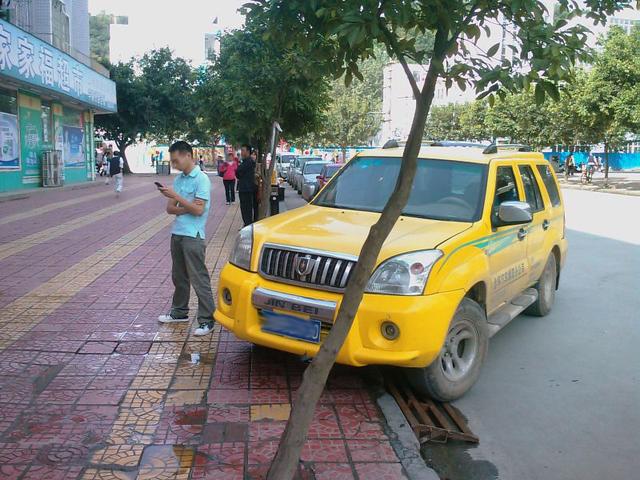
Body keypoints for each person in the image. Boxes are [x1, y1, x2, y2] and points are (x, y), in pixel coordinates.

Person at [157, 140, 215, 336]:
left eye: (175, 160)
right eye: (172, 162)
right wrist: (183, 204)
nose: (174, 165)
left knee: (199, 278)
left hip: (193, 236)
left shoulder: (202, 179)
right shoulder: (179, 180)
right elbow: (169, 209)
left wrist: (178, 199)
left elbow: (199, 210)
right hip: (178, 234)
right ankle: (179, 312)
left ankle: (207, 320)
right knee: (179, 277)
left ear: (188, 155)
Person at [237, 144, 257, 226]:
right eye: (241, 150)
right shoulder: (245, 161)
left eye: (243, 150)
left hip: (247, 189)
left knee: (246, 209)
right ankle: (247, 224)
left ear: (248, 152)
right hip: (244, 188)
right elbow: (238, 173)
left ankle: (248, 225)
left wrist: (238, 171)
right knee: (244, 209)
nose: (241, 152)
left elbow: (238, 172)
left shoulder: (249, 162)